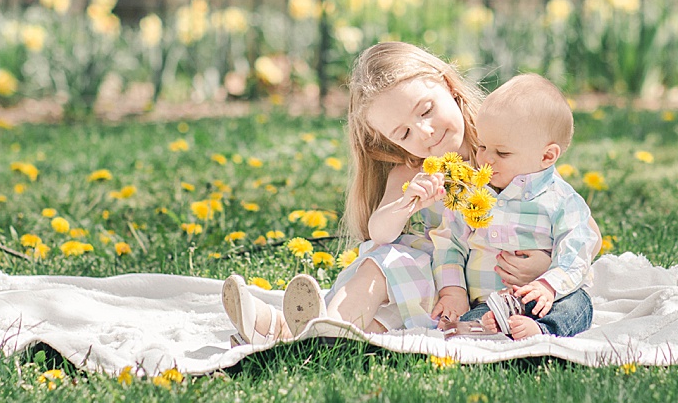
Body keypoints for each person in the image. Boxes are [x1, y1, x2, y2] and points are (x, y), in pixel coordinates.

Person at [221, 42, 552, 344]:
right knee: (381, 268)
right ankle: (311, 329)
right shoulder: (411, 170)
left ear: (448, 86)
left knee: (382, 310)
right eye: (404, 132)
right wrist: (407, 202)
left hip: (488, 286)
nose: (425, 132)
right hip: (426, 286)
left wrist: (544, 261)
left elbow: (578, 224)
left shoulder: (505, 151)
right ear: (392, 142)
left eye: (425, 110)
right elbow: (379, 231)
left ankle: (284, 330)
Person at [430, 73, 600, 340]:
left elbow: (577, 249)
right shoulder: (472, 194)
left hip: (546, 299)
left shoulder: (560, 200)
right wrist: (453, 291)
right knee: (476, 319)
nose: (486, 158)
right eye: (482, 146)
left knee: (578, 305)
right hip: (489, 302)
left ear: (546, 156)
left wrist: (548, 285)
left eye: (502, 153)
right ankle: (486, 330)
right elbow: (449, 243)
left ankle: (543, 332)